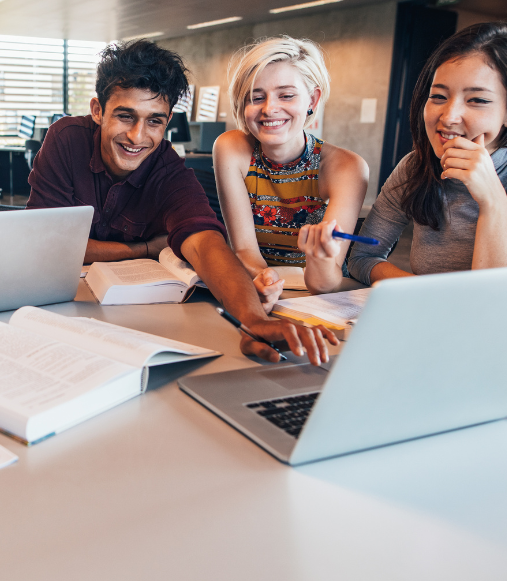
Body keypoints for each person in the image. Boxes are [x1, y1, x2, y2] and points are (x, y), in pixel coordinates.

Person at [27, 39, 337, 365]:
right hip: (56, 309)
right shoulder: (66, 139)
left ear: (167, 121)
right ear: (97, 111)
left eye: (154, 121)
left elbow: (205, 243)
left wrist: (254, 320)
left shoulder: (167, 169)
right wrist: (143, 248)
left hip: (127, 318)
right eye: (125, 116)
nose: (137, 136)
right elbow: (47, 244)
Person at [348, 22, 507, 284]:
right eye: (438, 96)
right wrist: (422, 296)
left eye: (477, 100)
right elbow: (362, 257)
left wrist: (492, 200)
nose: (449, 117)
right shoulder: (416, 165)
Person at [213, 36, 369, 312]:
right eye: (256, 97)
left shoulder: (347, 168)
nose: (269, 108)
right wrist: (266, 279)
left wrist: (319, 258)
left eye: (286, 95)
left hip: (320, 301)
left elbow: (327, 282)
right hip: (260, 289)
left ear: (313, 99)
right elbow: (245, 251)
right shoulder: (231, 148)